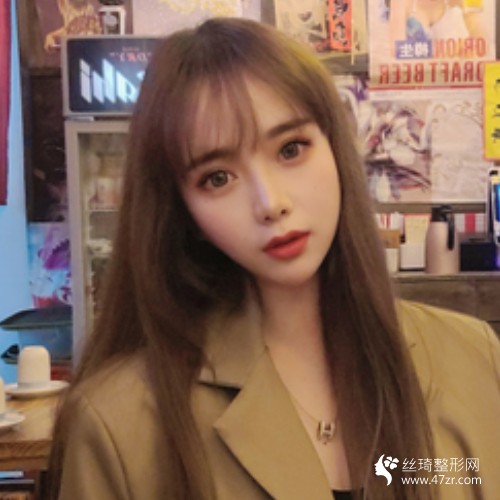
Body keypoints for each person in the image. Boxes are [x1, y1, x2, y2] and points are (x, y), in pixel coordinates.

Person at [48, 17, 499, 500]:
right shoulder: (119, 426)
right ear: (183, 211)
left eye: (290, 149)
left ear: (335, 147)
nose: (270, 203)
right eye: (217, 178)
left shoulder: (471, 357)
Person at [389, 0, 484, 46]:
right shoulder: (401, 4)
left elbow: (483, 45)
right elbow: (395, 50)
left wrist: (471, 13)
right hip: (414, 74)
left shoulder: (460, 3)